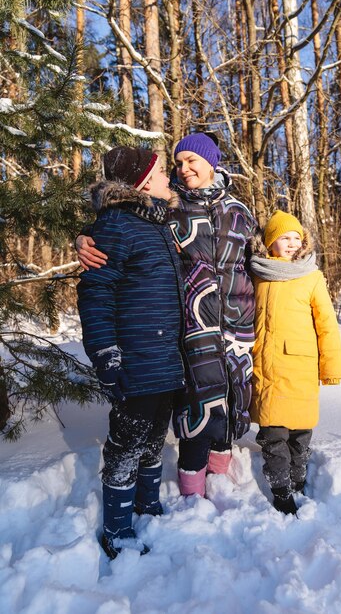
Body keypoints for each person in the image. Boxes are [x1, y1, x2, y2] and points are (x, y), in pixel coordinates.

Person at [77, 133, 258, 498]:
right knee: (196, 411)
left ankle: (219, 481)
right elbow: (121, 222)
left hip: (238, 329)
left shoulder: (240, 211)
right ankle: (192, 492)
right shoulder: (169, 206)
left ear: (212, 161)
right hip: (190, 331)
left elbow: (263, 260)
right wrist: (83, 237)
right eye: (178, 162)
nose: (184, 168)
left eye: (192, 160)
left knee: (231, 405)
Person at [77, 145, 186, 559]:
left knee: (155, 435)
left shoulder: (157, 224)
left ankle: (147, 504)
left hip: (164, 359)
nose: (167, 179)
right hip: (136, 360)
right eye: (160, 173)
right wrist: (105, 352)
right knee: (126, 444)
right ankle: (118, 529)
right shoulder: (116, 227)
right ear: (140, 182)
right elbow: (96, 293)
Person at [249, 210, 341, 515]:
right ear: (269, 241)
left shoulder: (311, 276)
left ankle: (299, 480)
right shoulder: (256, 274)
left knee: (300, 434)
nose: (291, 243)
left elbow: (326, 324)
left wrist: (332, 367)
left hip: (301, 368)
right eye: (283, 237)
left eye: (295, 238)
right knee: (273, 435)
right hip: (266, 369)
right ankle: (281, 491)